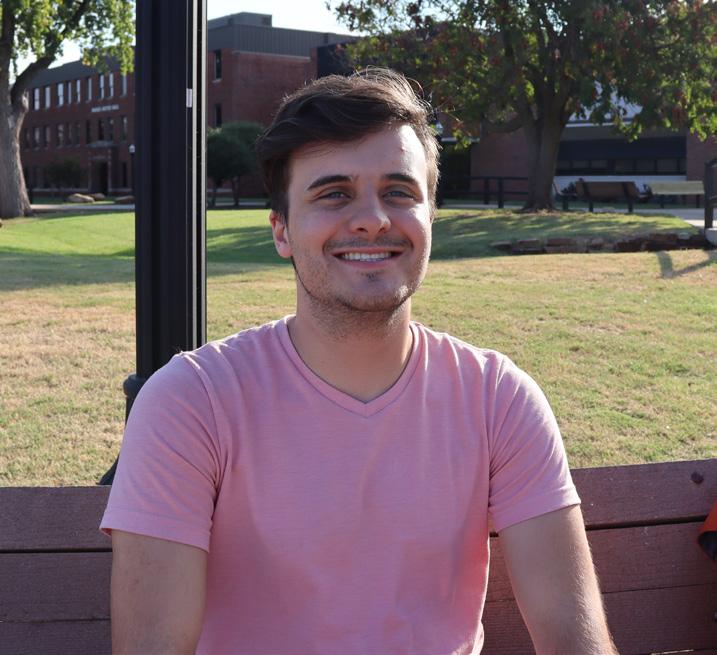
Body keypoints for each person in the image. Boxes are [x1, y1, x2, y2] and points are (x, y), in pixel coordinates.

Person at [101, 68, 617, 654]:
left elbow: (573, 638)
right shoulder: (191, 403)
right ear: (282, 231)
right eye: (334, 194)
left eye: (399, 191)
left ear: (430, 219)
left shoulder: (498, 398)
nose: (373, 217)